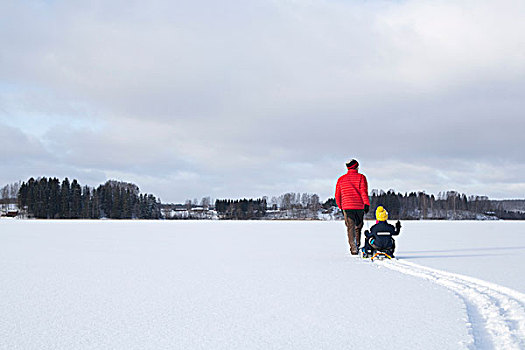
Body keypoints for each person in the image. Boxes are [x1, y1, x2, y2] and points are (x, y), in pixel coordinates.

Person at [335, 159, 370, 255]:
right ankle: (357, 244)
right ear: (356, 167)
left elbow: (338, 195)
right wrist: (366, 204)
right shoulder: (361, 177)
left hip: (347, 207)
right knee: (358, 226)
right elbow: (364, 192)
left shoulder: (341, 179)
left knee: (350, 227)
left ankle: (353, 247)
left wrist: (340, 206)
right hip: (359, 207)